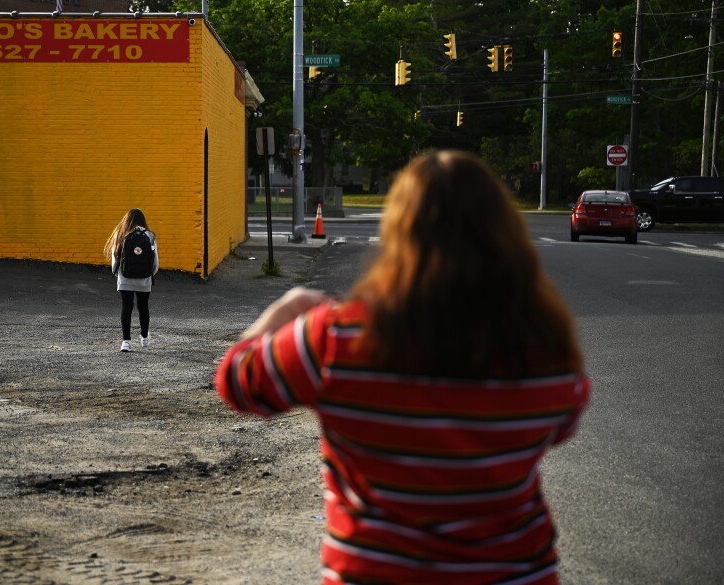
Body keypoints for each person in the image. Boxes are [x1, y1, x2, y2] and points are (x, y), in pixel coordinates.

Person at [214, 150, 590, 585]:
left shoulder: (337, 340)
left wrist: (288, 306)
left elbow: (235, 381)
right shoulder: (546, 353)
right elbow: (562, 425)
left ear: (399, 233)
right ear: (505, 237)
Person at [103, 208, 159, 352]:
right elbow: (155, 262)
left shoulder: (121, 235)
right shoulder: (149, 235)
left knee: (126, 307)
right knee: (143, 307)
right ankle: (145, 337)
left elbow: (115, 259)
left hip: (125, 277)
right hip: (144, 278)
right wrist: (149, 274)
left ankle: (126, 342)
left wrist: (118, 274)